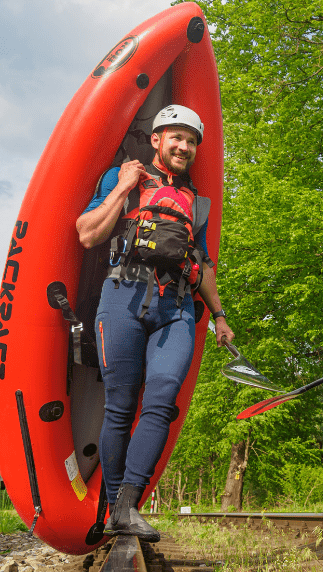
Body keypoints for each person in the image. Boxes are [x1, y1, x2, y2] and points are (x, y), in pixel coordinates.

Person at [76, 104, 234, 541]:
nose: (184, 146)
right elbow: (87, 233)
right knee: (121, 406)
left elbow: (203, 263)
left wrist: (220, 316)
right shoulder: (122, 178)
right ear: (156, 140)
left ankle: (127, 506)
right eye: (176, 137)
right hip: (122, 297)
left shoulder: (197, 202)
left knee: (163, 398)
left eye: (191, 141)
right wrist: (123, 186)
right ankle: (113, 506)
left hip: (176, 307)